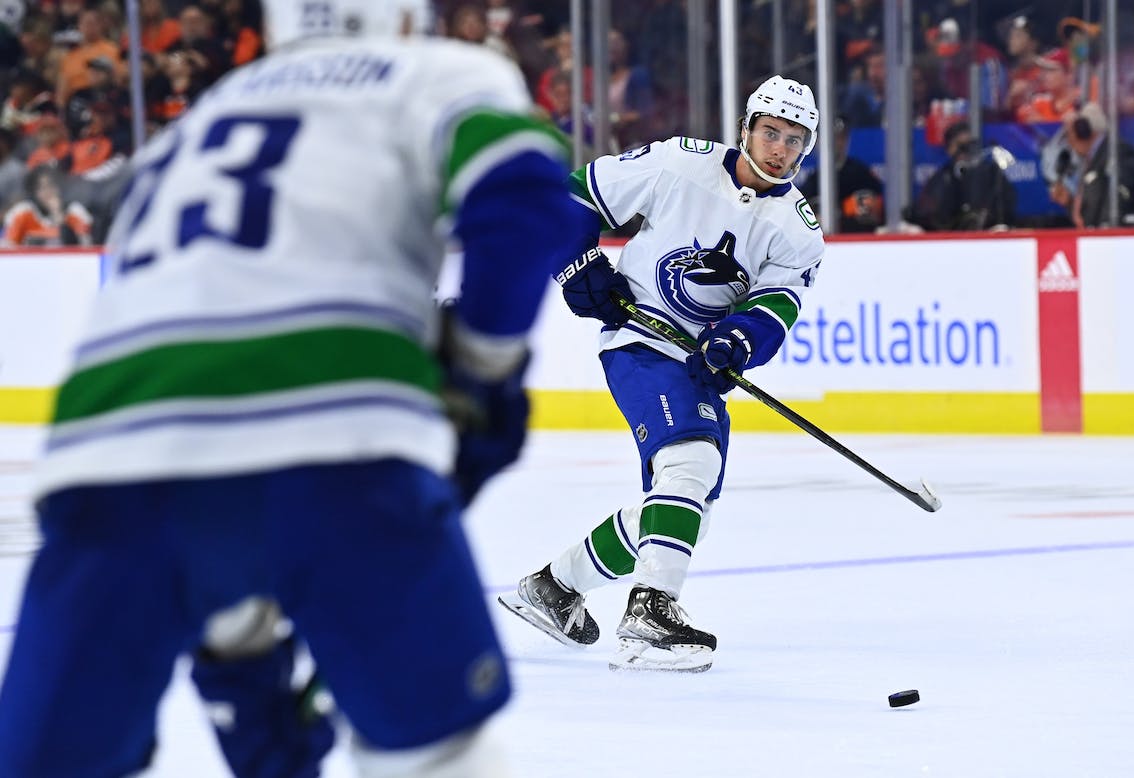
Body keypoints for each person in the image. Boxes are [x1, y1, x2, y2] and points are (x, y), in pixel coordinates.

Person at [0, 2, 588, 778]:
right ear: (406, 20)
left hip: (105, 460)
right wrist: (484, 372)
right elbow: (524, 202)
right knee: (437, 752)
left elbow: (205, 462)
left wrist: (239, 664)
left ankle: (240, 649)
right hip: (340, 441)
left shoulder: (190, 126)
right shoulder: (437, 71)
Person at [498, 75, 824, 673]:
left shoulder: (799, 231)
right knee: (692, 461)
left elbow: (777, 306)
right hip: (639, 341)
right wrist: (576, 261)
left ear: (808, 149)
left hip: (697, 363)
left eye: (794, 139)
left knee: (682, 493)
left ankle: (552, 590)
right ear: (746, 128)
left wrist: (738, 341)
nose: (779, 148)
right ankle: (651, 612)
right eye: (770, 132)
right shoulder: (679, 163)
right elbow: (571, 200)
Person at [1049, 102, 1134, 228]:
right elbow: (1090, 212)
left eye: (1069, 134)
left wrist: (1105, 228)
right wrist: (1070, 202)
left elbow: (1119, 197)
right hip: (1097, 238)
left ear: (1083, 131)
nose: (1069, 142)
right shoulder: (1093, 159)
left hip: (1119, 238)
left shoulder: (1118, 154)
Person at [908, 121, 1017, 232]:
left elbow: (1004, 207)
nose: (965, 151)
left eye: (968, 145)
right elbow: (931, 216)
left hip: (986, 235)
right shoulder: (943, 178)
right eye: (960, 146)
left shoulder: (990, 174)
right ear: (949, 148)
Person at [800, 115, 883, 233]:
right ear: (817, 142)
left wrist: (839, 210)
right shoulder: (813, 180)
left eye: (840, 137)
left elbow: (873, 210)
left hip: (859, 240)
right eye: (830, 138)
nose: (836, 143)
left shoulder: (861, 174)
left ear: (847, 140)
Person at [2, 164, 92, 246]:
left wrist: (59, 216)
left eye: (51, 185)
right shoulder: (22, 212)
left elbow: (86, 246)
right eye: (42, 188)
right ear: (34, 192)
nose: (48, 192)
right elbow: (9, 246)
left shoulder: (75, 212)